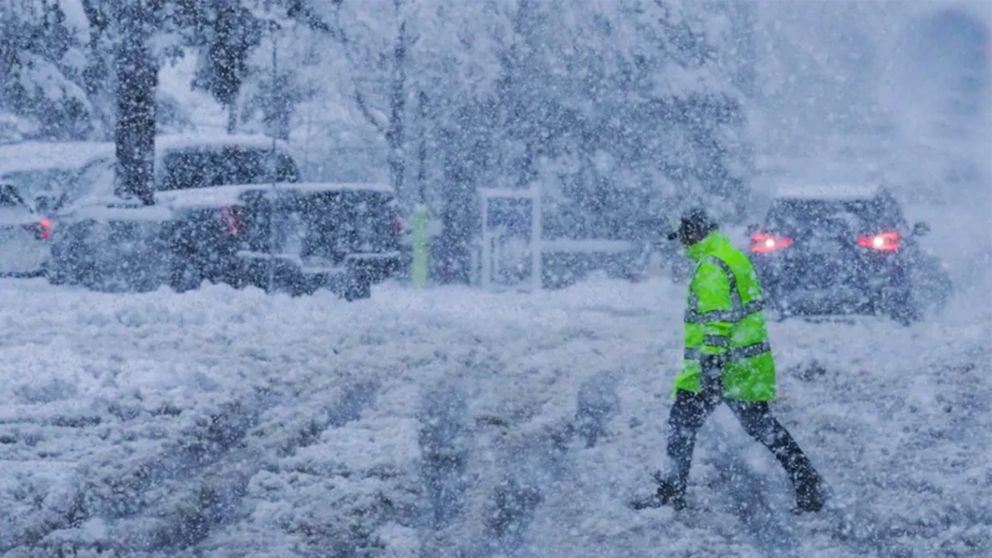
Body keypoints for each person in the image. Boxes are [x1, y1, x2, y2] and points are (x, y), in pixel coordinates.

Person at [634, 208, 826, 513]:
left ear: (692, 234)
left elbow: (717, 324)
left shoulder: (710, 267)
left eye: (682, 238)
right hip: (746, 365)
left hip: (716, 367)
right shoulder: (733, 256)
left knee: (680, 426)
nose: (681, 247)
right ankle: (809, 482)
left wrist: (711, 371)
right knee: (762, 426)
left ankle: (670, 496)